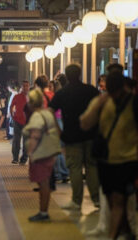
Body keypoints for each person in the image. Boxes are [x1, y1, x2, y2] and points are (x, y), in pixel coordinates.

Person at [80, 71, 138, 240]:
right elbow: (85, 124)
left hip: (128, 160)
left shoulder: (134, 103)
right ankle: (127, 231)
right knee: (113, 201)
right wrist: (100, 103)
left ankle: (113, 235)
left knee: (119, 199)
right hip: (106, 160)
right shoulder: (102, 102)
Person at [49, 64, 100, 210]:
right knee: (92, 167)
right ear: (79, 73)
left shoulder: (62, 93)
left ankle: (77, 201)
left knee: (75, 168)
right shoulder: (91, 90)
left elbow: (50, 111)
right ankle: (96, 199)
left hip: (71, 136)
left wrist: (58, 130)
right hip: (91, 134)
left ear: (67, 75)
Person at [23, 88, 61, 222]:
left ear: (32, 103)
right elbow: (58, 131)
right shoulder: (48, 113)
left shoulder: (37, 116)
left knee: (43, 183)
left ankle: (43, 212)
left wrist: (30, 152)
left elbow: (35, 135)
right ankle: (43, 211)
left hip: (41, 154)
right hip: (50, 153)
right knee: (45, 182)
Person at [10, 81, 29, 164]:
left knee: (26, 142)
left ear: (29, 87)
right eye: (24, 86)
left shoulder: (31, 97)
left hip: (27, 123)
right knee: (16, 141)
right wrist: (12, 116)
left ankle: (24, 159)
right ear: (21, 87)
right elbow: (11, 106)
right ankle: (15, 158)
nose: (25, 87)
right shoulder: (17, 96)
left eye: (27, 86)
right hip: (17, 121)